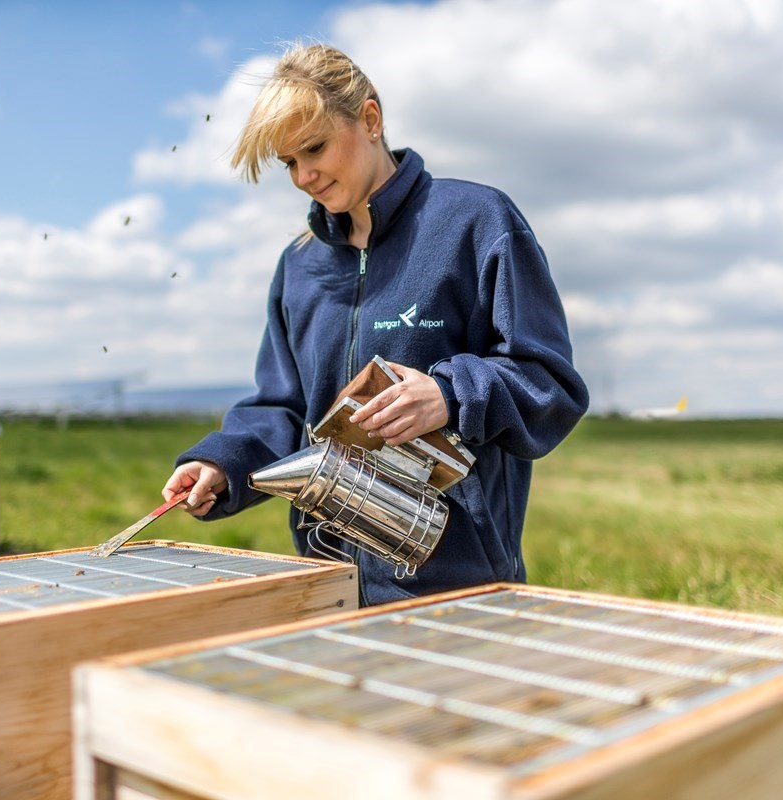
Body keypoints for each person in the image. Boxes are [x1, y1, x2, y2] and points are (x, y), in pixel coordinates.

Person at [163, 42, 588, 606]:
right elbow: (285, 410)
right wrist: (223, 462)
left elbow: (550, 384)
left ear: (370, 119)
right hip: (324, 586)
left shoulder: (477, 222)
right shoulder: (300, 264)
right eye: (288, 162)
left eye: (313, 148)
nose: (303, 177)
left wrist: (448, 395)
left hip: (462, 588)